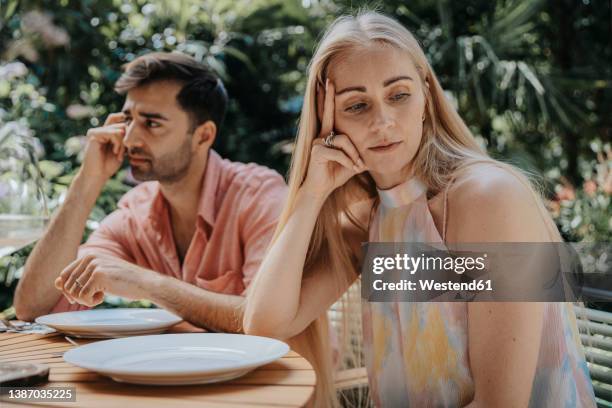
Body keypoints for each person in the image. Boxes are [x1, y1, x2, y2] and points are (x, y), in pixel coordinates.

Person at [243, 11, 596, 408]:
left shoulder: (488, 198)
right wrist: (311, 193)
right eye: (357, 105)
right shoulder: (371, 218)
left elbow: (501, 403)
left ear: (426, 96)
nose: (383, 121)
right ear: (328, 120)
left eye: (398, 95)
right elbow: (267, 324)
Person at [14, 52, 287, 334]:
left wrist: (147, 283)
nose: (130, 138)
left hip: (288, 376)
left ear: (203, 136)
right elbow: (35, 309)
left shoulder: (259, 196)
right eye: (129, 119)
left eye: (152, 123)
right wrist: (87, 181)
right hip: (194, 372)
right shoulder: (136, 214)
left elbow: (265, 323)